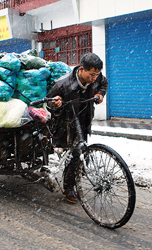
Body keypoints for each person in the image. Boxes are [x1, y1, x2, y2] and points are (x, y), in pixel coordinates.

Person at [46, 53, 108, 203]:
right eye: (91, 74)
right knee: (75, 155)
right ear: (81, 69)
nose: (94, 78)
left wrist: (100, 94)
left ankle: (74, 180)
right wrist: (55, 103)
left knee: (80, 154)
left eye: (97, 74)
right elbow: (49, 103)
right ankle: (68, 188)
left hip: (84, 120)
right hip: (67, 123)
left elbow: (104, 83)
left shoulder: (97, 78)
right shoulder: (62, 84)